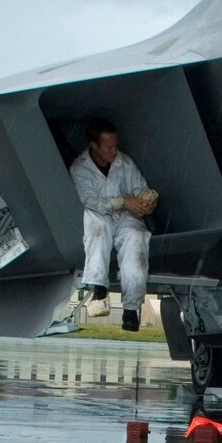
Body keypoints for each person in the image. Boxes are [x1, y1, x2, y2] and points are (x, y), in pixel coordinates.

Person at [68, 119, 158, 333]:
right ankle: (98, 289)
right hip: (99, 215)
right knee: (97, 227)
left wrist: (146, 202)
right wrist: (123, 201)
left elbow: (140, 188)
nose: (114, 151)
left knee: (136, 240)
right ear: (94, 146)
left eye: (115, 145)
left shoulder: (124, 163)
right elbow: (88, 201)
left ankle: (131, 310)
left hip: (125, 217)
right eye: (109, 147)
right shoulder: (80, 169)